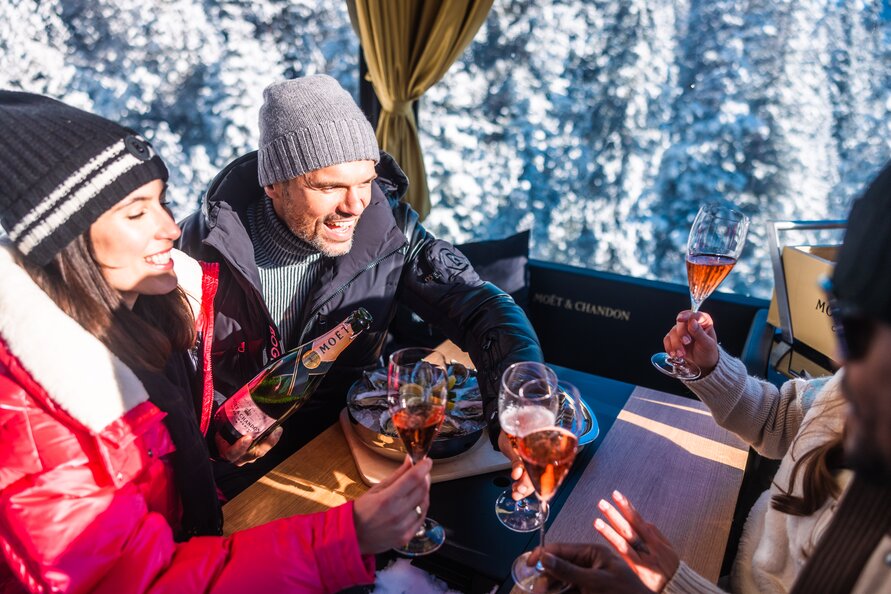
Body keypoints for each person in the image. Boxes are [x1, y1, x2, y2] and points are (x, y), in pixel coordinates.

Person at [0, 91, 432, 593]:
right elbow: (140, 582)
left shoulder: (146, 315)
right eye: (138, 213)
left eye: (161, 202)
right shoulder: (27, 423)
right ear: (63, 242)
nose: (169, 227)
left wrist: (214, 446)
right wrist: (346, 536)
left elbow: (159, 472)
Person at [526, 162, 891, 594]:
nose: (837, 360)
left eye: (851, 330)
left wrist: (669, 588)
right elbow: (781, 421)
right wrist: (712, 369)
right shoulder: (848, 396)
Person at [177, 74, 543, 496]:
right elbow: (153, 395)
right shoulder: (193, 255)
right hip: (234, 478)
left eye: (365, 181)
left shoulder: (390, 234)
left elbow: (481, 307)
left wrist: (521, 408)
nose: (355, 206)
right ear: (274, 184)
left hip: (352, 457)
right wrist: (211, 439)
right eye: (329, 186)